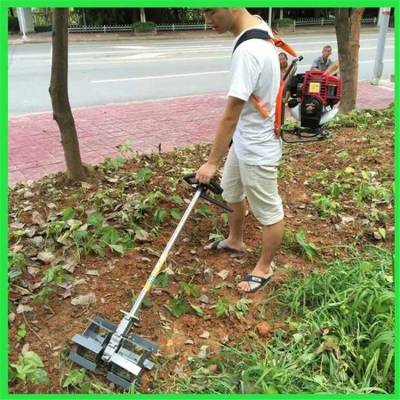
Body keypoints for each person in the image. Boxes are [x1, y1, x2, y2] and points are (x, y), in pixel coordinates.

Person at [196, 8, 284, 293]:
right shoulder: (257, 26)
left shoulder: (248, 51)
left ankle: (265, 268)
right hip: (244, 140)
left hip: (258, 148)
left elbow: (230, 115)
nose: (206, 20)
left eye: (210, 11)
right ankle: (235, 239)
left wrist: (211, 163)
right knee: (232, 193)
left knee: (268, 212)